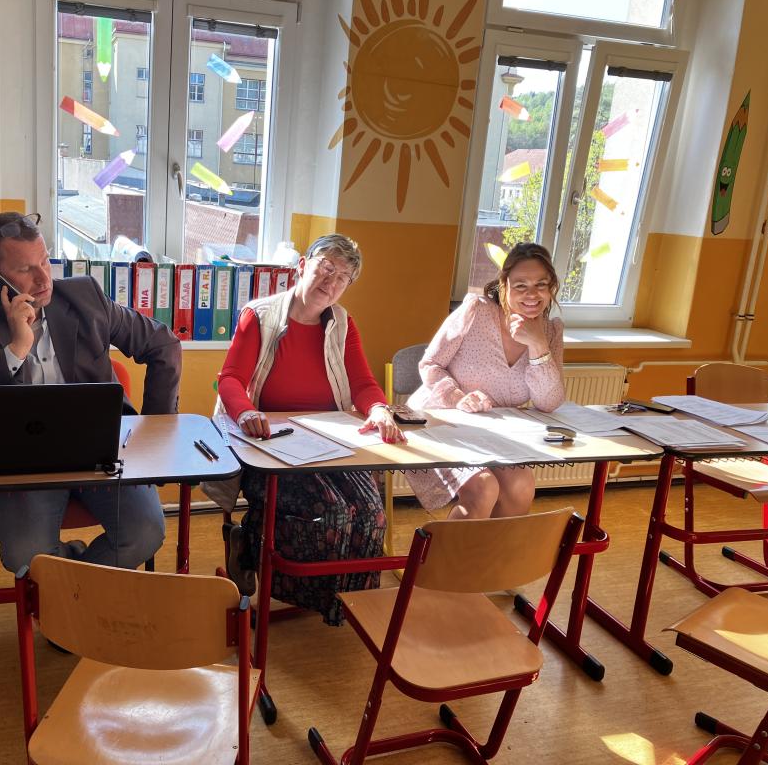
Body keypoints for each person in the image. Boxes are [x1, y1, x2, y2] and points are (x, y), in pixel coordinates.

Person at [0, 212, 181, 573]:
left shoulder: (84, 297)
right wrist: (15, 350)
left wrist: (153, 434)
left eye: (45, 260)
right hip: (20, 466)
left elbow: (163, 344)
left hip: (98, 454)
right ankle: (70, 590)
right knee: (25, 557)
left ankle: (64, 593)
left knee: (145, 533)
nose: (43, 278)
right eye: (25, 269)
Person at [212, 234, 404, 625]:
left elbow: (363, 383)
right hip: (269, 444)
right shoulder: (259, 316)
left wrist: (379, 409)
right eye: (326, 268)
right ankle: (262, 552)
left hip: (329, 442)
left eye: (343, 277)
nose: (331, 282)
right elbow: (230, 378)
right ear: (303, 266)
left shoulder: (343, 324)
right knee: (333, 512)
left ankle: (349, 604)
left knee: (372, 515)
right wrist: (246, 412)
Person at [406, 242, 565, 520]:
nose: (532, 294)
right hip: (438, 420)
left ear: (551, 287)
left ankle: (491, 551)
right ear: (504, 286)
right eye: (520, 285)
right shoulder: (476, 311)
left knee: (522, 484)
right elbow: (429, 364)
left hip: (492, 433)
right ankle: (447, 552)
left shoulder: (550, 332)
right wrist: (458, 397)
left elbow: (549, 402)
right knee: (483, 488)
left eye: (541, 284)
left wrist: (538, 344)